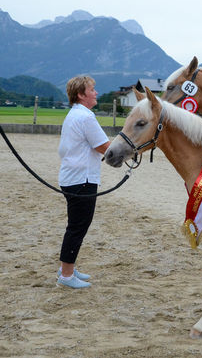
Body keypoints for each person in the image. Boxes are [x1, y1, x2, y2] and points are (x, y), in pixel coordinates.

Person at [56, 75, 110, 288]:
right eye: (92, 89)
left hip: (72, 177)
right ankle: (66, 276)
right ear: (81, 94)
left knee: (75, 226)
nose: (96, 93)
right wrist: (130, 152)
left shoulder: (74, 114)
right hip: (82, 179)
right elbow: (104, 146)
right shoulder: (86, 117)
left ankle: (66, 268)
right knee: (78, 227)